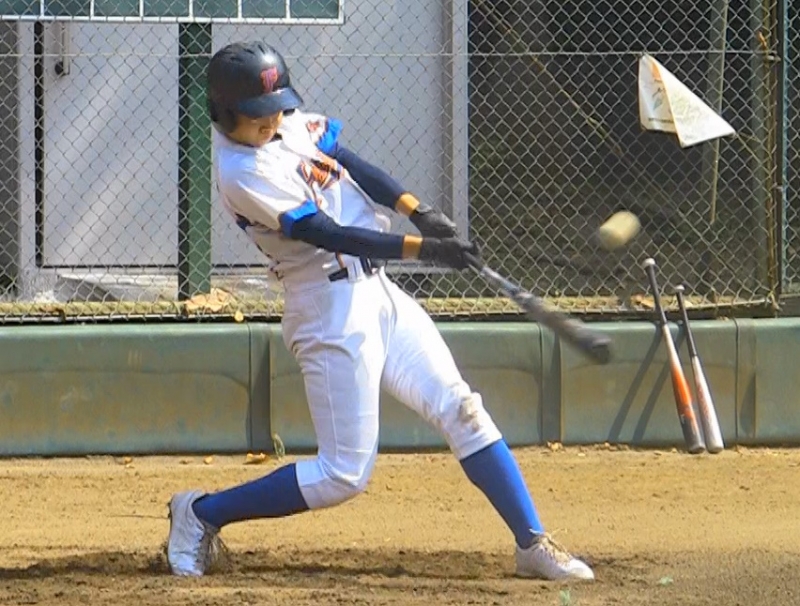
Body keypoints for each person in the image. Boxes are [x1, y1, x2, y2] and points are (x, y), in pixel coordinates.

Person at [165, 40, 594, 582]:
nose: (271, 121)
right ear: (224, 114)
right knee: (344, 473)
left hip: (378, 292)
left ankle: (532, 542)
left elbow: (348, 162)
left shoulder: (286, 125)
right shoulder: (240, 171)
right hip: (327, 308)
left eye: (275, 108)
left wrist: (417, 210)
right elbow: (327, 233)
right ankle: (202, 513)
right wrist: (424, 250)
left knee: (460, 406)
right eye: (257, 115)